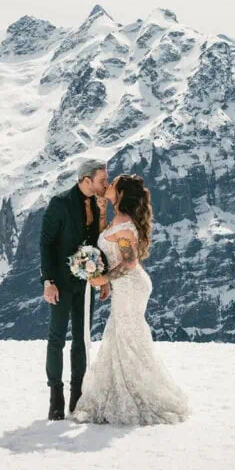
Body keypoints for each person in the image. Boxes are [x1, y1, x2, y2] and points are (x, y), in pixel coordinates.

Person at [71, 173, 190, 426]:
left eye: (112, 185)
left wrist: (104, 280)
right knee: (122, 336)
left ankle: (141, 397)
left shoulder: (125, 224)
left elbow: (129, 261)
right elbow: (105, 238)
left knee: (128, 338)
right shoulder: (118, 219)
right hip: (125, 285)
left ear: (121, 193)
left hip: (131, 285)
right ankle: (123, 393)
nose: (108, 186)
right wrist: (102, 211)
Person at [40, 158, 111, 421]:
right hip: (59, 281)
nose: (106, 184)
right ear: (86, 181)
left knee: (82, 339)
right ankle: (55, 396)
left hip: (86, 283)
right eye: (102, 180)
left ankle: (77, 396)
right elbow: (45, 244)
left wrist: (103, 279)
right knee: (56, 338)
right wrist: (48, 282)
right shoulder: (59, 203)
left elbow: (99, 243)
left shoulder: (99, 204)